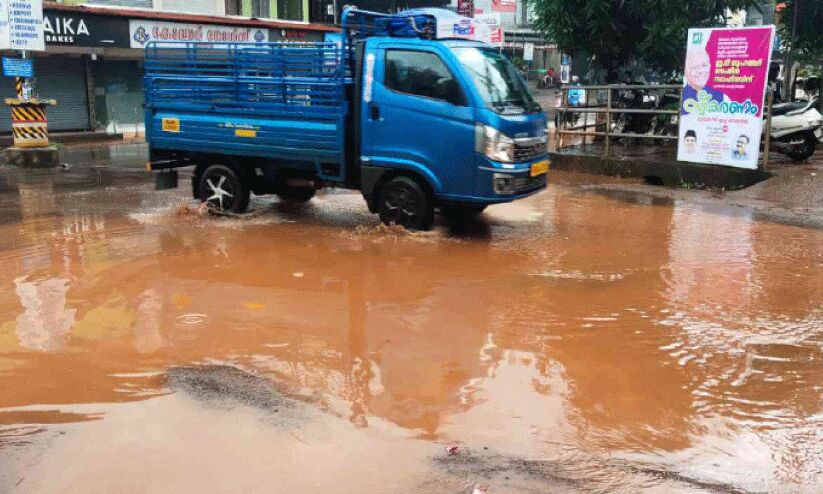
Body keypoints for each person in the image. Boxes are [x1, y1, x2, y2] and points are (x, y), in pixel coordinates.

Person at [682, 48, 725, 113]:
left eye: (704, 65)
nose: (700, 71)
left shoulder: (720, 93)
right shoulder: (685, 95)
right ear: (687, 72)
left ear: (710, 66)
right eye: (694, 67)